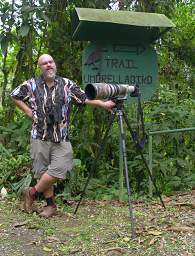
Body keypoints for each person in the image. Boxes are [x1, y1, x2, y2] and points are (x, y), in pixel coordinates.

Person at [10, 54, 115, 218]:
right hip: (39, 135)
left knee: (61, 168)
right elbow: (14, 95)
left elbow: (83, 98)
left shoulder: (67, 84)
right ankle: (50, 205)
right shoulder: (31, 84)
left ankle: (31, 193)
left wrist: (103, 104)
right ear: (40, 67)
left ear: (55, 64)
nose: (48, 65)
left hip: (61, 137)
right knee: (43, 171)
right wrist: (28, 111)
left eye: (51, 62)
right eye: (44, 63)